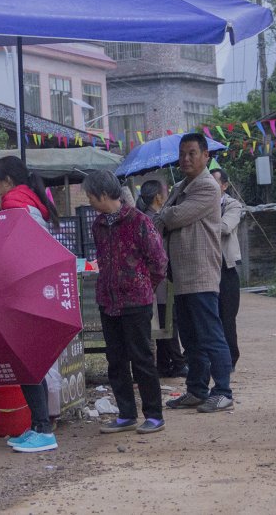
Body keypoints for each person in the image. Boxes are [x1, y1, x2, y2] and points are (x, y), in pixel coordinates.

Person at [83, 171, 168, 435]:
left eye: (90, 196)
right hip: (108, 301)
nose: (89, 201)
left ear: (104, 195)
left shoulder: (138, 221)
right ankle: (126, 413)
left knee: (142, 358)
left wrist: (143, 286)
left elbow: (159, 262)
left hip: (136, 302)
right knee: (115, 359)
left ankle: (154, 414)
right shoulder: (98, 225)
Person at [153, 133, 234, 413]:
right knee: (190, 338)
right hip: (181, 274)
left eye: (192, 153)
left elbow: (172, 217)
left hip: (200, 272)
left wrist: (165, 215)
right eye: (182, 154)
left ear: (205, 156)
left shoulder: (208, 187)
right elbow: (161, 219)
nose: (185, 159)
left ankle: (223, 391)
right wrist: (165, 215)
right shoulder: (180, 186)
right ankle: (197, 390)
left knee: (210, 334)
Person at [0, 155, 61, 453]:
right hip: (34, 289)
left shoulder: (13, 204)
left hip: (21, 291)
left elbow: (12, 250)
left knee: (26, 362)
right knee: (30, 362)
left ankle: (43, 430)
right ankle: (38, 425)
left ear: (7, 181)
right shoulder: (31, 203)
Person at [137, 180, 186, 378]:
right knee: (168, 321)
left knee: (164, 321)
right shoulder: (154, 220)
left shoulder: (146, 217)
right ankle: (177, 362)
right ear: (158, 197)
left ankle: (165, 363)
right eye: (164, 192)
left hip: (157, 279)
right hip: (159, 278)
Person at [210, 165, 243, 370]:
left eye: (215, 184)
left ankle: (231, 358)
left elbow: (223, 228)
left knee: (227, 316)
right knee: (210, 318)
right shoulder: (201, 204)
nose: (211, 188)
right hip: (207, 267)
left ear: (224, 186)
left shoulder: (233, 206)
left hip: (226, 267)